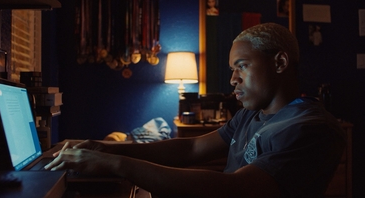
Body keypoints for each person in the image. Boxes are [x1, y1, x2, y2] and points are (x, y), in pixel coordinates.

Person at [45, 23, 346, 197]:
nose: (232, 79)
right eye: (231, 69)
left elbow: (234, 189)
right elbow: (190, 149)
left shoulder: (312, 129)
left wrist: (116, 165)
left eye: (242, 66)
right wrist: (104, 149)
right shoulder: (250, 115)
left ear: (279, 63)